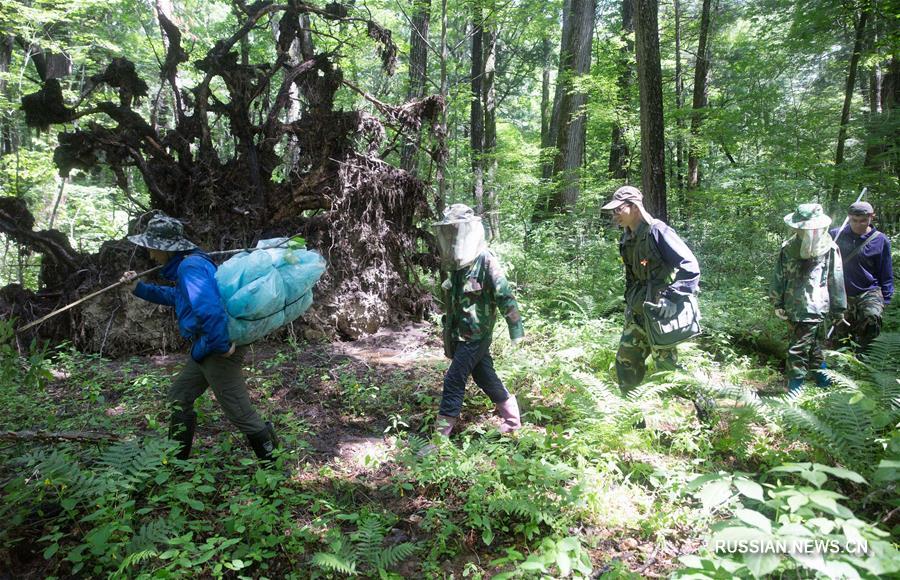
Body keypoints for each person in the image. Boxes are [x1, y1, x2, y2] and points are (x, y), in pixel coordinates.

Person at [120, 214, 277, 461]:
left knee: (239, 412)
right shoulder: (188, 266)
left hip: (216, 348)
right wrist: (139, 288)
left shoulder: (190, 267)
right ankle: (177, 460)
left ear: (166, 248)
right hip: (206, 346)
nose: (150, 255)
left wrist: (222, 346)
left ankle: (273, 464)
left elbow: (210, 310)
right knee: (179, 398)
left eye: (152, 247)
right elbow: (180, 298)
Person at [600, 186, 706, 421]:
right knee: (625, 363)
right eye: (612, 211)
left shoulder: (658, 232)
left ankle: (704, 410)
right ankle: (632, 421)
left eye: (618, 209)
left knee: (668, 373)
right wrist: (630, 303)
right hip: (638, 313)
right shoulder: (626, 238)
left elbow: (690, 266)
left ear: (634, 207)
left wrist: (673, 297)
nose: (614, 215)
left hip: (661, 314)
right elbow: (631, 276)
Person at [432, 204, 525, 437]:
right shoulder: (458, 262)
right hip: (460, 332)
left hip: (476, 334)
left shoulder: (485, 260)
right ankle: (512, 422)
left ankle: (440, 438)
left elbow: (504, 295)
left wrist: (516, 328)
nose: (452, 235)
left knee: (454, 379)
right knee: (484, 375)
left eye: (455, 230)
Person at [770, 203, 847, 393]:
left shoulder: (829, 248)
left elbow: (835, 279)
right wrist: (777, 302)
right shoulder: (788, 247)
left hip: (814, 307)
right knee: (812, 348)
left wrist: (839, 309)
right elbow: (779, 276)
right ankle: (824, 384)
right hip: (793, 307)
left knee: (797, 350)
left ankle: (795, 394)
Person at [829, 201, 893, 351]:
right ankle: (843, 364)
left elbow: (886, 270)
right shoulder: (835, 235)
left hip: (869, 290)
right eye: (854, 220)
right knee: (842, 329)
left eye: (863, 220)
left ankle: (866, 358)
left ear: (871, 217)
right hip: (841, 290)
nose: (858, 224)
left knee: (872, 318)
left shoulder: (880, 240)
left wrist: (887, 297)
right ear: (849, 217)